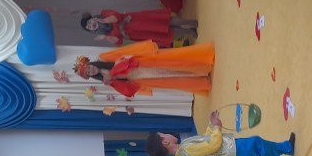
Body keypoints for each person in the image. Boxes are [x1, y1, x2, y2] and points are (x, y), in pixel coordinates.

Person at [146, 111, 295, 156]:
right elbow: (213, 145)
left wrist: (212, 125)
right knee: (257, 143)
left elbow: (204, 140)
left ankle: (286, 147)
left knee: (258, 145)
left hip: (228, 149)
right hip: (228, 151)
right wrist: (217, 128)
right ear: (165, 142)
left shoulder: (183, 149)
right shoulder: (186, 149)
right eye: (164, 134)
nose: (168, 134)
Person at [73, 40, 214, 97]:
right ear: (91, 76)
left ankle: (203, 64)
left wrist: (116, 69)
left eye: (89, 68)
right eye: (88, 73)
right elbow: (124, 87)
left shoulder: (103, 58)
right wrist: (113, 81)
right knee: (172, 79)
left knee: (174, 64)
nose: (90, 70)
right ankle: (202, 79)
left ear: (90, 64)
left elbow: (124, 53)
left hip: (141, 64)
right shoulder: (105, 80)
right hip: (140, 78)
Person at [81, 10, 198, 47]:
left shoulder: (104, 13)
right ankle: (189, 32)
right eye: (89, 27)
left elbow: (117, 17)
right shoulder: (105, 34)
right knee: (164, 34)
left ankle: (190, 23)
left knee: (164, 22)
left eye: (89, 22)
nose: (91, 25)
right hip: (137, 34)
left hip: (136, 21)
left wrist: (103, 21)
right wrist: (106, 37)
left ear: (92, 18)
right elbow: (119, 41)